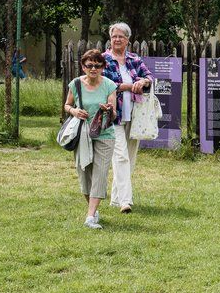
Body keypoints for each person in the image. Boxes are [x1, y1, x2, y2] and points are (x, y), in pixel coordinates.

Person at [102, 21, 153, 213]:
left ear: (127, 40)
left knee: (130, 159)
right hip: (113, 115)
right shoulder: (103, 59)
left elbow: (149, 77)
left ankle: (116, 198)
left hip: (134, 115)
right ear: (110, 38)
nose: (116, 40)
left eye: (120, 37)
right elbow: (105, 84)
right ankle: (126, 201)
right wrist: (130, 86)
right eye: (114, 36)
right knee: (121, 156)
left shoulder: (134, 59)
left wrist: (144, 81)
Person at [64, 49, 117, 229]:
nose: (93, 69)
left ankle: (90, 216)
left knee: (100, 174)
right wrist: (74, 111)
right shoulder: (76, 84)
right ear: (83, 66)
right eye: (89, 65)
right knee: (84, 173)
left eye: (97, 65)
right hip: (83, 134)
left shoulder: (110, 85)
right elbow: (67, 105)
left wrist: (108, 110)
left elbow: (115, 114)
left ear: (103, 67)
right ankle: (92, 209)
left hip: (104, 135)